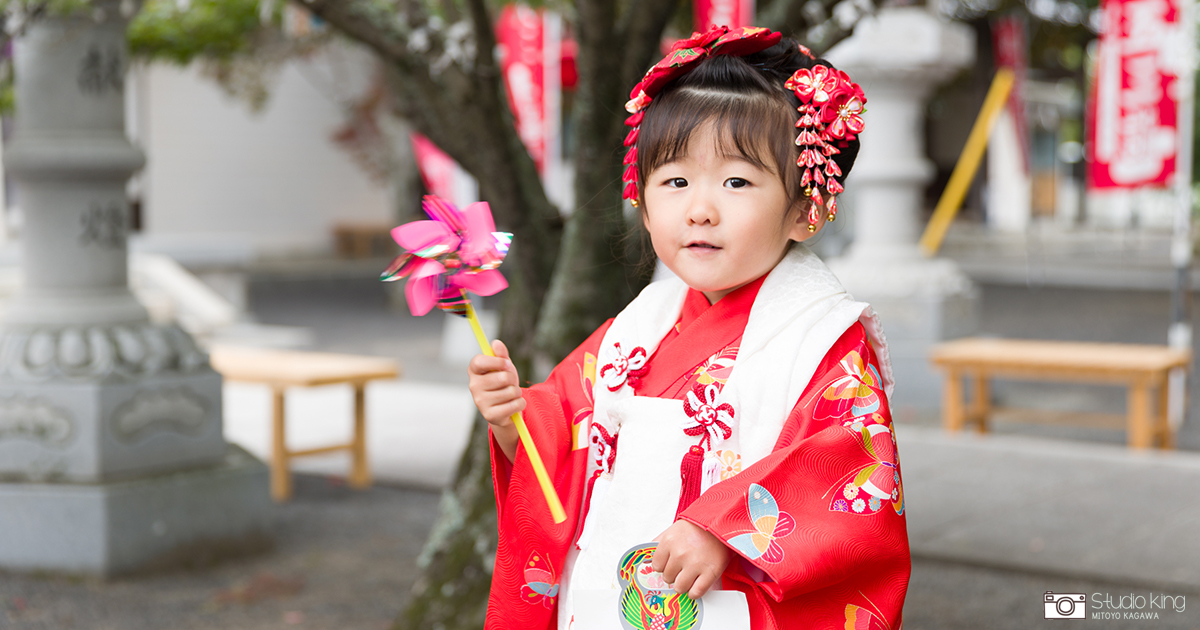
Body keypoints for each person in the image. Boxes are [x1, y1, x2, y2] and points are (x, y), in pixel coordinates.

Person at [470, 25, 909, 630]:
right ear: (644, 204)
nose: (700, 208)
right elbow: (561, 451)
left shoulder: (822, 336)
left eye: (736, 181)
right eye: (675, 182)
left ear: (805, 211)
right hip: (609, 600)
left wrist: (727, 533)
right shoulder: (638, 326)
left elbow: (848, 476)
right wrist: (514, 419)